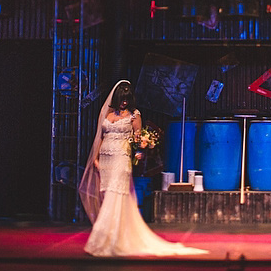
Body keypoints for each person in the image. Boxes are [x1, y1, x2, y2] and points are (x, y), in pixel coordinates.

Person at [78, 80, 208, 257]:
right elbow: (100, 137)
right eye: (121, 99)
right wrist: (95, 158)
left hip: (121, 159)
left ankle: (110, 239)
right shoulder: (107, 114)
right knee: (107, 194)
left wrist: (142, 149)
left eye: (127, 99)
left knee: (115, 196)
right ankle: (110, 236)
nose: (124, 102)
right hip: (106, 160)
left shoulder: (134, 115)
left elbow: (138, 138)